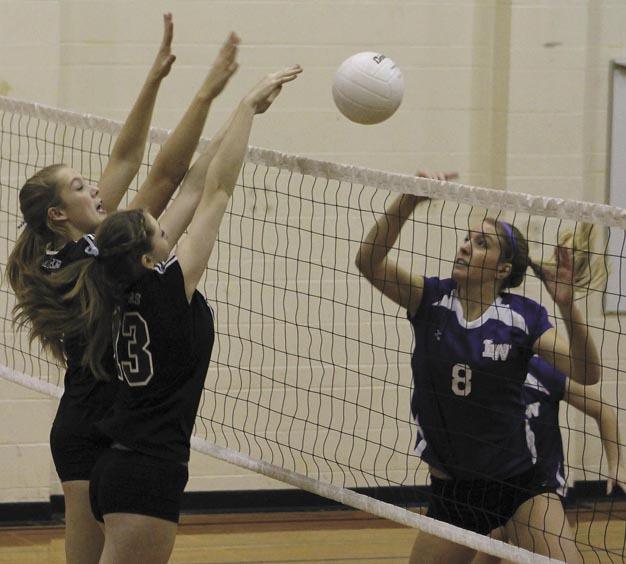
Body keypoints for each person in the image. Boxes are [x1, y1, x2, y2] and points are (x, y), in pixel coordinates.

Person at [39, 64, 301, 564]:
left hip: (115, 466)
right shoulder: (169, 288)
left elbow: (195, 186)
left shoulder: (107, 286)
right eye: (159, 233)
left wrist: (240, 110)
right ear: (146, 256)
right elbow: (214, 191)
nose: (168, 234)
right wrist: (245, 108)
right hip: (146, 472)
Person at [5, 18, 240, 564]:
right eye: (83, 186)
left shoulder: (65, 246)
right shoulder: (95, 260)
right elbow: (164, 173)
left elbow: (127, 160)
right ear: (61, 212)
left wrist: (155, 77)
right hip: (94, 430)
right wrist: (209, 95)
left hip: (98, 422)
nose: (97, 186)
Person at [355, 183, 601, 563]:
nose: (466, 246)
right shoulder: (430, 299)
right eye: (467, 238)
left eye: (482, 243)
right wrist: (407, 200)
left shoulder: (523, 317)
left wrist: (568, 307)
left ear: (503, 269)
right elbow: (368, 262)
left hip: (518, 487)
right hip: (454, 494)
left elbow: (586, 372)